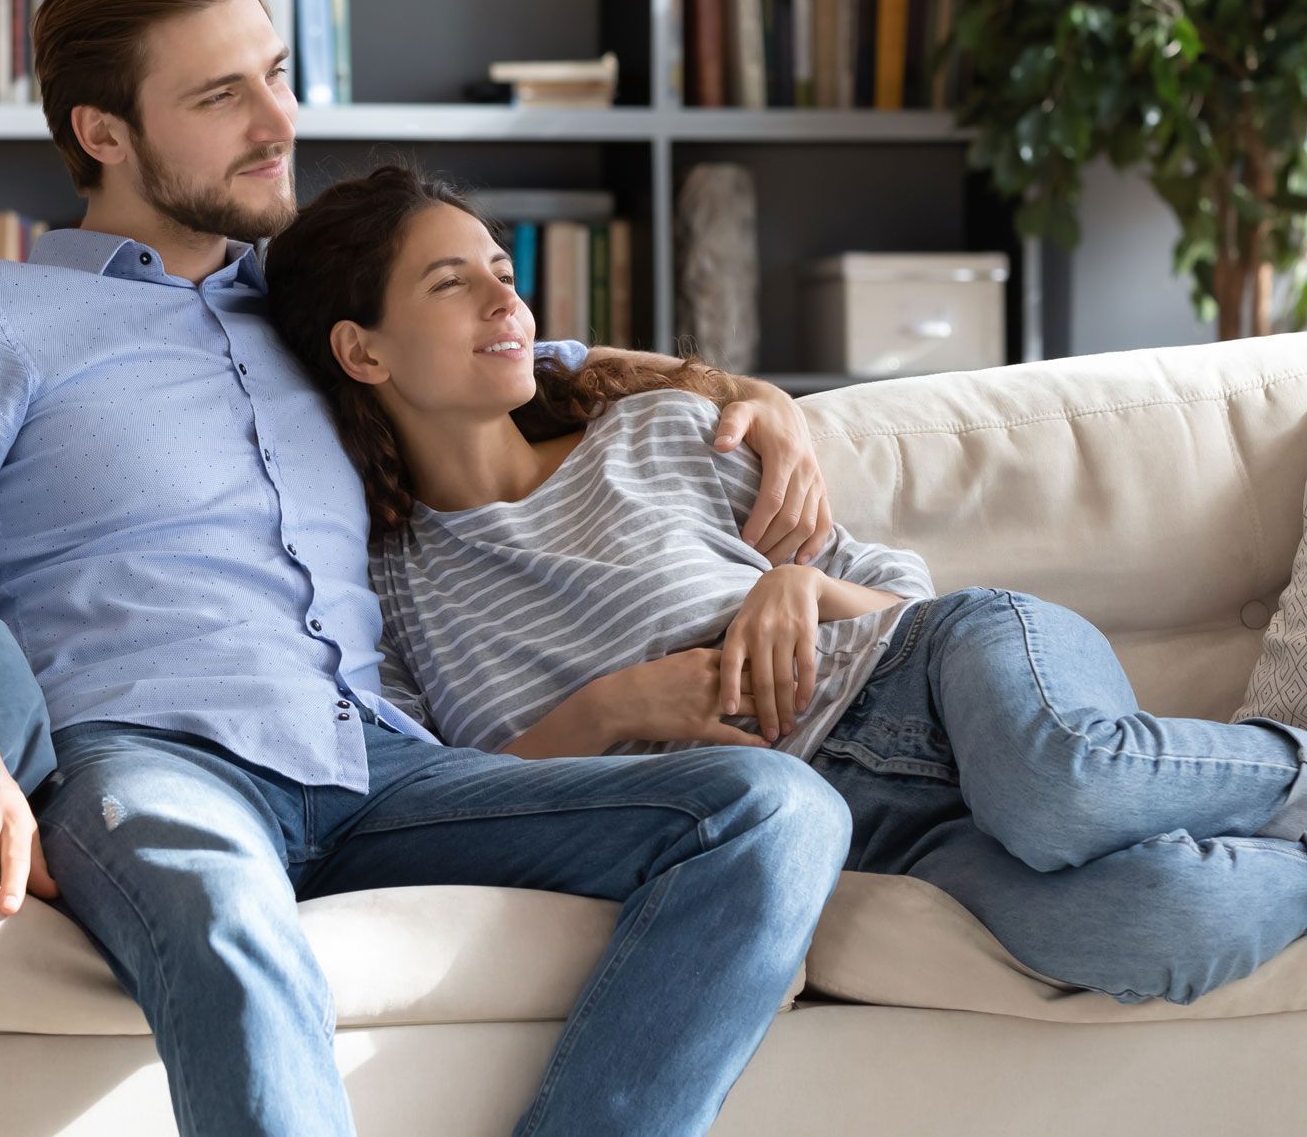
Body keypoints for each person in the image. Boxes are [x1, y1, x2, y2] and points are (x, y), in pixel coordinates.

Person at [0, 0, 854, 1136]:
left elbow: (534, 354)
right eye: (221, 96)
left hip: (378, 766)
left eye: (279, 74)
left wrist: (753, 397)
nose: (280, 124)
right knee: (227, 919)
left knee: (775, 812)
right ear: (103, 132)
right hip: (149, 765)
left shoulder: (318, 308)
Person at [262, 162, 1307, 1010]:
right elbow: (446, 798)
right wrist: (613, 707)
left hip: (941, 681)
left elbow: (910, 601)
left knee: (1059, 784)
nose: (508, 299)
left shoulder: (661, 429)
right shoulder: (379, 590)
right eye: (453, 284)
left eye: (502, 268)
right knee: (1160, 920)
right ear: (361, 349)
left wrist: (797, 588)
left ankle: (1282, 763)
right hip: (877, 832)